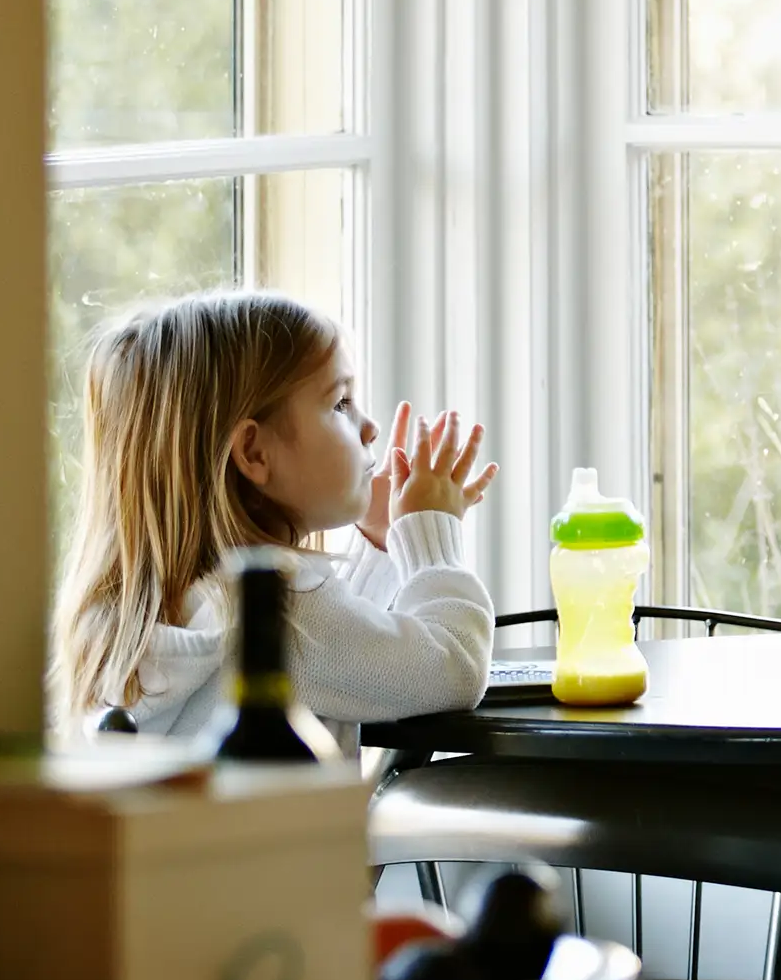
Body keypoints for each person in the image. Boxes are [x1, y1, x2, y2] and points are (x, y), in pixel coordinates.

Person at [50, 290, 501, 744]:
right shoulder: (279, 614)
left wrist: (379, 542)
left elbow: (346, 671)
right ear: (253, 452)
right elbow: (454, 666)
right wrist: (432, 540)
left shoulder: (158, 616)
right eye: (340, 403)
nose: (370, 428)